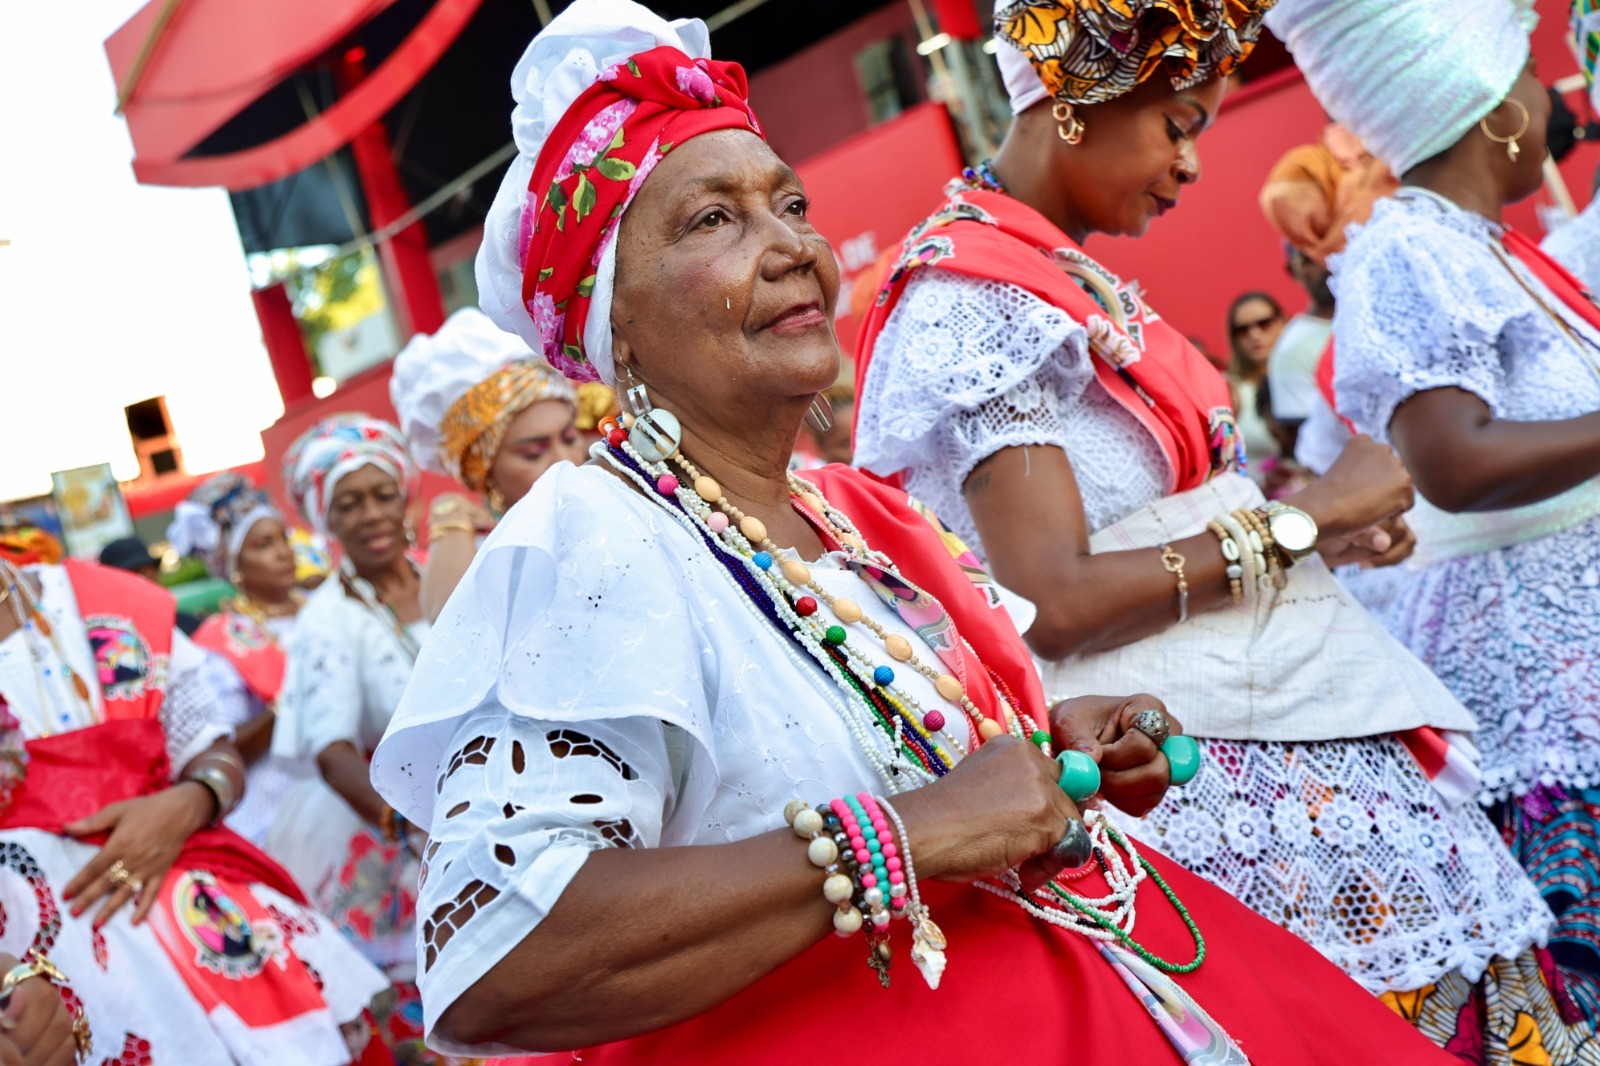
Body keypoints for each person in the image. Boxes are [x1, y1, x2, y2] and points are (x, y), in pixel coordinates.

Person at [369, 2, 1455, 1062]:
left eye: (790, 204)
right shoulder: (596, 539)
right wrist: (918, 830)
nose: (792, 245)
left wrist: (1049, 750)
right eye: (713, 220)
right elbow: (495, 960)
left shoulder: (855, 512)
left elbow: (897, 767)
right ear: (614, 319)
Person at [851, 2, 1581, 1057]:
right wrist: (1300, 520)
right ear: (1078, 100)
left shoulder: (1055, 277)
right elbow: (1054, 598)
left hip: (1279, 757)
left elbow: (1150, 529)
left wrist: (1318, 540)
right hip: (1191, 787)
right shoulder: (975, 300)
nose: (1192, 165)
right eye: (1179, 124)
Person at [1273, 0, 1600, 1022]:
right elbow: (1452, 460)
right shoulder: (1411, 249)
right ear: (1497, 108)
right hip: (1533, 668)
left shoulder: (1483, 246)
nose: (1547, 94)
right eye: (1530, 73)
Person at [0, 540, 387, 1064]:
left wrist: (191, 801)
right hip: (49, 981)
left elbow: (212, 750)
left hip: (208, 922)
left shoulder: (104, 601)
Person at [268, 414, 437, 1062]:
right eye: (348, 503)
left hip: (478, 804)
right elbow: (333, 753)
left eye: (381, 494)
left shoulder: (444, 575)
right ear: (326, 521)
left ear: (405, 496)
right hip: (387, 832)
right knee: (423, 1015)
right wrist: (415, 827)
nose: (370, 515)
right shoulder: (329, 618)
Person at [389, 307, 586, 624]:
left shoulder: (614, 491)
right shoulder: (480, 555)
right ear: (483, 471)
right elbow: (447, 620)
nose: (564, 459)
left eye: (570, 437)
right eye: (532, 453)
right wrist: (450, 518)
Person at [167, 473, 309, 849]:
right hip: (280, 808)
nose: (283, 553)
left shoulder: (324, 607)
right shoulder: (220, 642)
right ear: (232, 563)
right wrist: (289, 703)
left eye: (283, 538)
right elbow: (222, 746)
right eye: (263, 545)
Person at [1266, 248, 1334, 432]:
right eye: (1308, 259)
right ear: (1293, 271)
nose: (1323, 264)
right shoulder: (1292, 348)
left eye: (1329, 251)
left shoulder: (1379, 324)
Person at [1222, 292, 1282, 472]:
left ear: (1282, 322)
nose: (1254, 334)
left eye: (1264, 324)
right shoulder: (1229, 391)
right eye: (1243, 330)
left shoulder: (1306, 378)